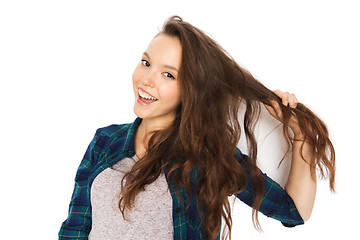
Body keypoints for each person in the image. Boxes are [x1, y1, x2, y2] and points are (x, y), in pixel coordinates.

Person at [58, 16, 335, 240]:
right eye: (146, 62)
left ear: (189, 90)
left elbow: (293, 211)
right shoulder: (105, 141)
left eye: (168, 74)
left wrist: (303, 137)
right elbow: (74, 229)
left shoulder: (206, 156)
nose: (146, 80)